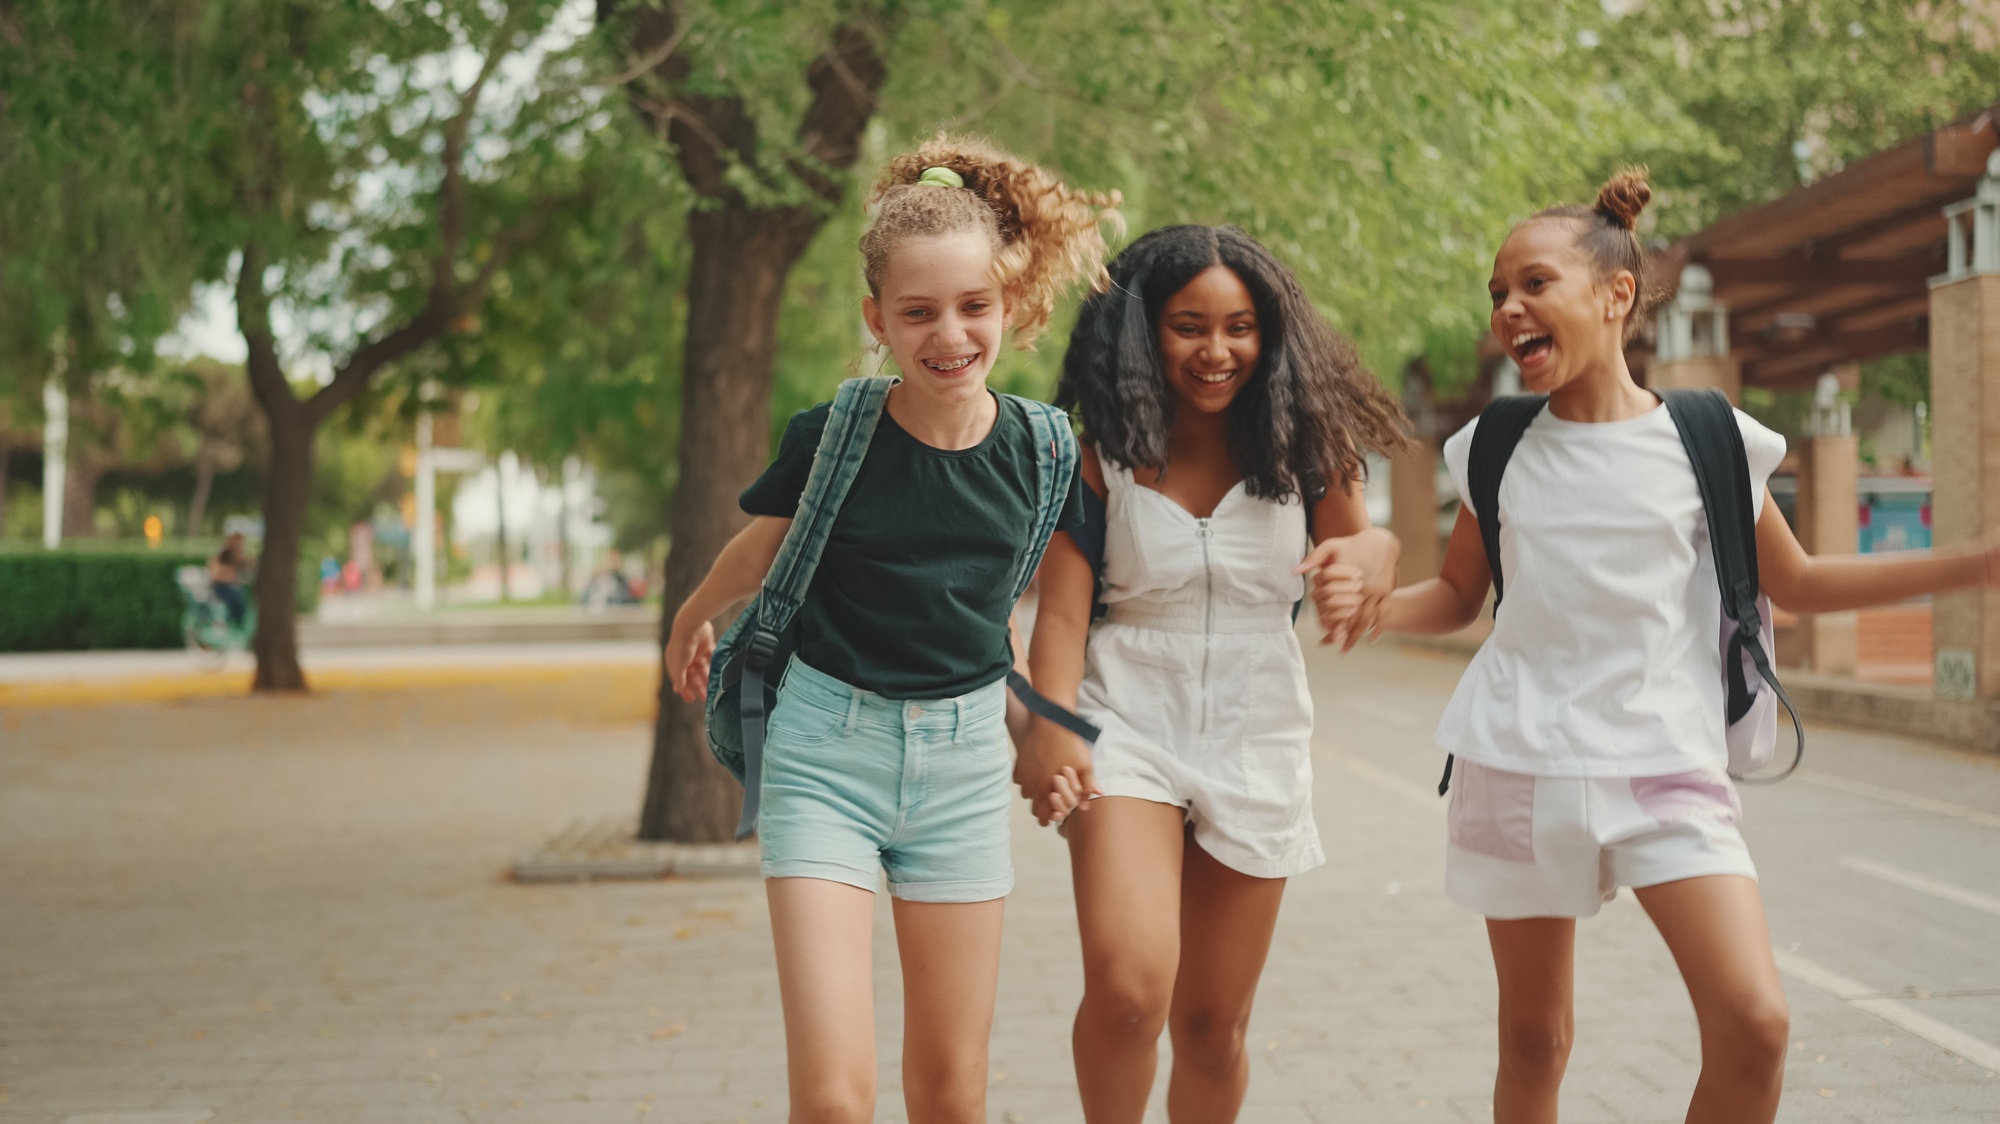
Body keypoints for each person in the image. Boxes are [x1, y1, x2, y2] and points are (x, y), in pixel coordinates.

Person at [1345, 169, 2000, 1124]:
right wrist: (1374, 611)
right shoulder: (1496, 444)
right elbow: (1458, 595)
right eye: (1497, 292)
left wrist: (1978, 565)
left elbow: (1802, 584)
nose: (1508, 308)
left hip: (1667, 765)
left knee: (1756, 1024)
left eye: (1533, 283)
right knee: (1535, 1040)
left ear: (1617, 296)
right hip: (1517, 762)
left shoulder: (1709, 438)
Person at [661, 135, 1119, 1124]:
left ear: (1008, 304)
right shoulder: (833, 435)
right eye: (917, 311)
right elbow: (756, 551)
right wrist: (697, 615)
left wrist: (1049, 723)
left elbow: (1061, 603)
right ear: (876, 318)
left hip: (957, 772)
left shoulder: (1042, 449)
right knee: (832, 1097)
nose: (947, 332)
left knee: (952, 1094)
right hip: (822, 755)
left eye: (971, 306)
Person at [1021, 225, 1409, 1121]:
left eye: (1240, 327)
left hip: (1256, 722)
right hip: (1126, 722)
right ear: (1140, 331)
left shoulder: (1307, 450)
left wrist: (1375, 557)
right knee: (1128, 993)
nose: (1217, 349)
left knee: (1209, 1026)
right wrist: (1048, 722)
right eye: (1188, 325)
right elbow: (1066, 614)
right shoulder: (1097, 458)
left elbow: (1362, 543)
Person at [208, 532, 253, 628]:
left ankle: (235, 624)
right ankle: (234, 625)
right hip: (222, 586)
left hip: (228, 587)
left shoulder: (231, 555)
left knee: (241, 599)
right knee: (237, 601)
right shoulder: (225, 555)